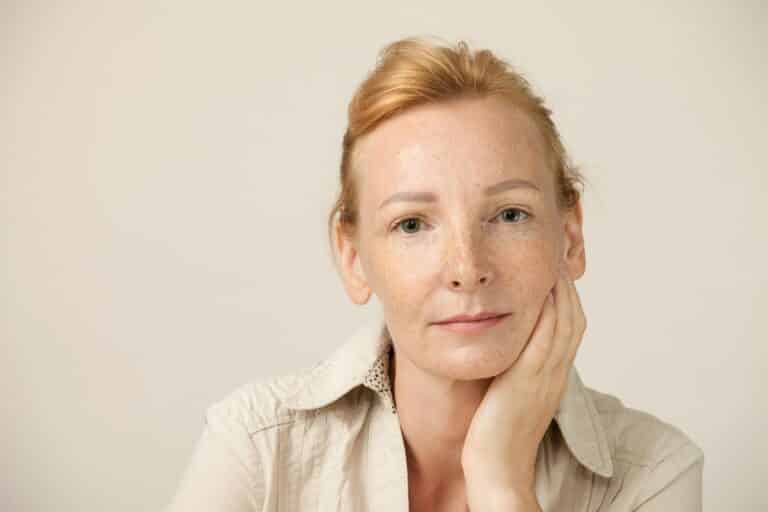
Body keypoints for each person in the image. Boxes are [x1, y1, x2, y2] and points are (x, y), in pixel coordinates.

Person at [164, 36, 704, 511]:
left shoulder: (651, 474)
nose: (467, 270)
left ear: (570, 236)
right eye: (412, 224)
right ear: (353, 258)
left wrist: (500, 479)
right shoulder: (258, 446)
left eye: (509, 215)